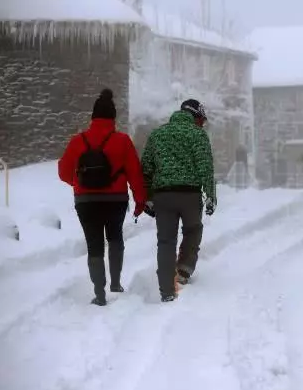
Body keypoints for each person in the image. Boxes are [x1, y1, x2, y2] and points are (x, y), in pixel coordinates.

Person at [58, 88, 146, 306]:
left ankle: (99, 293)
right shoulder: (123, 140)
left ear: (93, 117)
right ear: (113, 118)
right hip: (116, 200)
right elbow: (135, 172)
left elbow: (63, 171)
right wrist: (140, 200)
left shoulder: (78, 141)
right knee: (115, 237)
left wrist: (79, 184)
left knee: (94, 245)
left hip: (86, 202)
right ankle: (115, 283)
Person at [141, 99, 216, 303]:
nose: (201, 124)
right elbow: (205, 168)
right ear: (195, 116)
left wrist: (147, 198)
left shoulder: (158, 134)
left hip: (163, 196)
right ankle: (183, 271)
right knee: (193, 230)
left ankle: (166, 290)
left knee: (165, 241)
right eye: (201, 120)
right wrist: (210, 195)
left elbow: (146, 169)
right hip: (190, 196)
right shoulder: (197, 135)